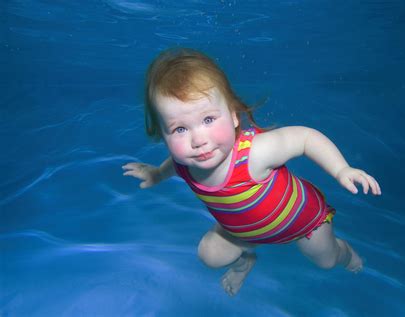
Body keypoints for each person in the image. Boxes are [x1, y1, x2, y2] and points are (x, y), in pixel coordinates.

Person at [122, 48, 382, 296]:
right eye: (180, 129)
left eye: (208, 120)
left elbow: (304, 138)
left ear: (234, 116)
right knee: (209, 256)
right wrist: (157, 174)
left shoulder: (255, 154)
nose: (198, 140)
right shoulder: (186, 162)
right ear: (163, 135)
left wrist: (341, 169)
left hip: (303, 224)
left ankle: (346, 255)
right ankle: (246, 260)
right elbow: (174, 167)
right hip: (240, 232)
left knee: (326, 261)